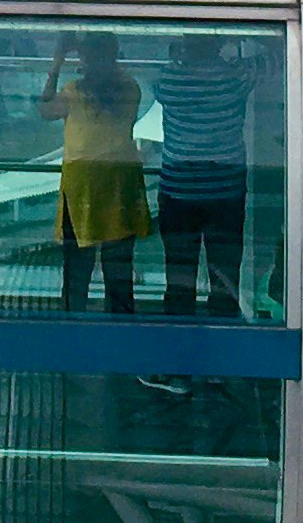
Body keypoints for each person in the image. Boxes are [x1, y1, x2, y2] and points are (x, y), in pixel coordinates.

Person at [149, 33, 266, 317]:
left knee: (178, 272)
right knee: (224, 273)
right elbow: (274, 59)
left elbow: (152, 76)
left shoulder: (167, 79)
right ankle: (223, 333)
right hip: (225, 190)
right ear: (218, 44)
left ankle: (178, 339)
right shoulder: (236, 76)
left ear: (185, 44)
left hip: (177, 189)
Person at [38, 34, 152, 314]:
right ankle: (121, 326)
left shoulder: (73, 92)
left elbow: (45, 110)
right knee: (119, 267)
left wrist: (57, 62)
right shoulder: (130, 88)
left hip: (82, 185)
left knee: (76, 268)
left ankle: (74, 322)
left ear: (84, 60)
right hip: (120, 181)